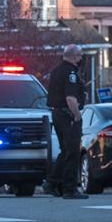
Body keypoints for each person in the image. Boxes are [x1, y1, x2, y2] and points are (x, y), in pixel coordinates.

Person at [44, 44, 88, 199]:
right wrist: (76, 115)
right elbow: (70, 98)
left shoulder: (56, 71)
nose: (81, 58)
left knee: (66, 151)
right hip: (67, 115)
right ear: (74, 56)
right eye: (80, 56)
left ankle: (53, 182)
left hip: (57, 114)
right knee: (72, 152)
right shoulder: (70, 73)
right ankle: (69, 188)